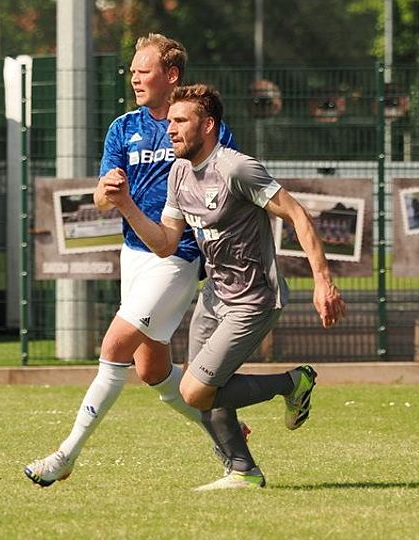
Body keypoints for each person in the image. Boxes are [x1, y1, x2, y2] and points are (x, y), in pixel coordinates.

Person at [99, 83, 346, 490]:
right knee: (202, 387)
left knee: (196, 391)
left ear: (208, 125)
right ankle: (243, 471)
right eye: (170, 121)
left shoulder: (236, 169)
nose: (170, 129)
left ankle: (294, 382)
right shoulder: (179, 173)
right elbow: (165, 244)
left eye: (180, 121)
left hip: (254, 299)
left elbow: (298, 215)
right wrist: (125, 205)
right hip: (214, 297)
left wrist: (323, 282)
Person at [24, 33, 238, 487]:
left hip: (177, 256)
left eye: (144, 71)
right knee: (152, 371)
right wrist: (107, 192)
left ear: (171, 75)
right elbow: (102, 198)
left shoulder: (199, 124)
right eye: (133, 71)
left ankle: (66, 455)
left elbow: (224, 177)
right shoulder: (123, 128)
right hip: (134, 255)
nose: (135, 78)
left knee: (114, 346)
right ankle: (226, 433)